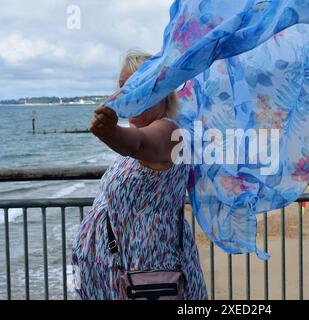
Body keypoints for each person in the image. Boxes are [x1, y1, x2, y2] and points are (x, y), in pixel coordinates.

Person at [71, 50, 208, 300]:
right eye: (122, 88)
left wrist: (109, 131)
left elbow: (137, 144)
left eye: (135, 86)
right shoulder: (142, 129)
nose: (125, 95)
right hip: (119, 276)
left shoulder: (169, 131)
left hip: (149, 276)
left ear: (159, 90)